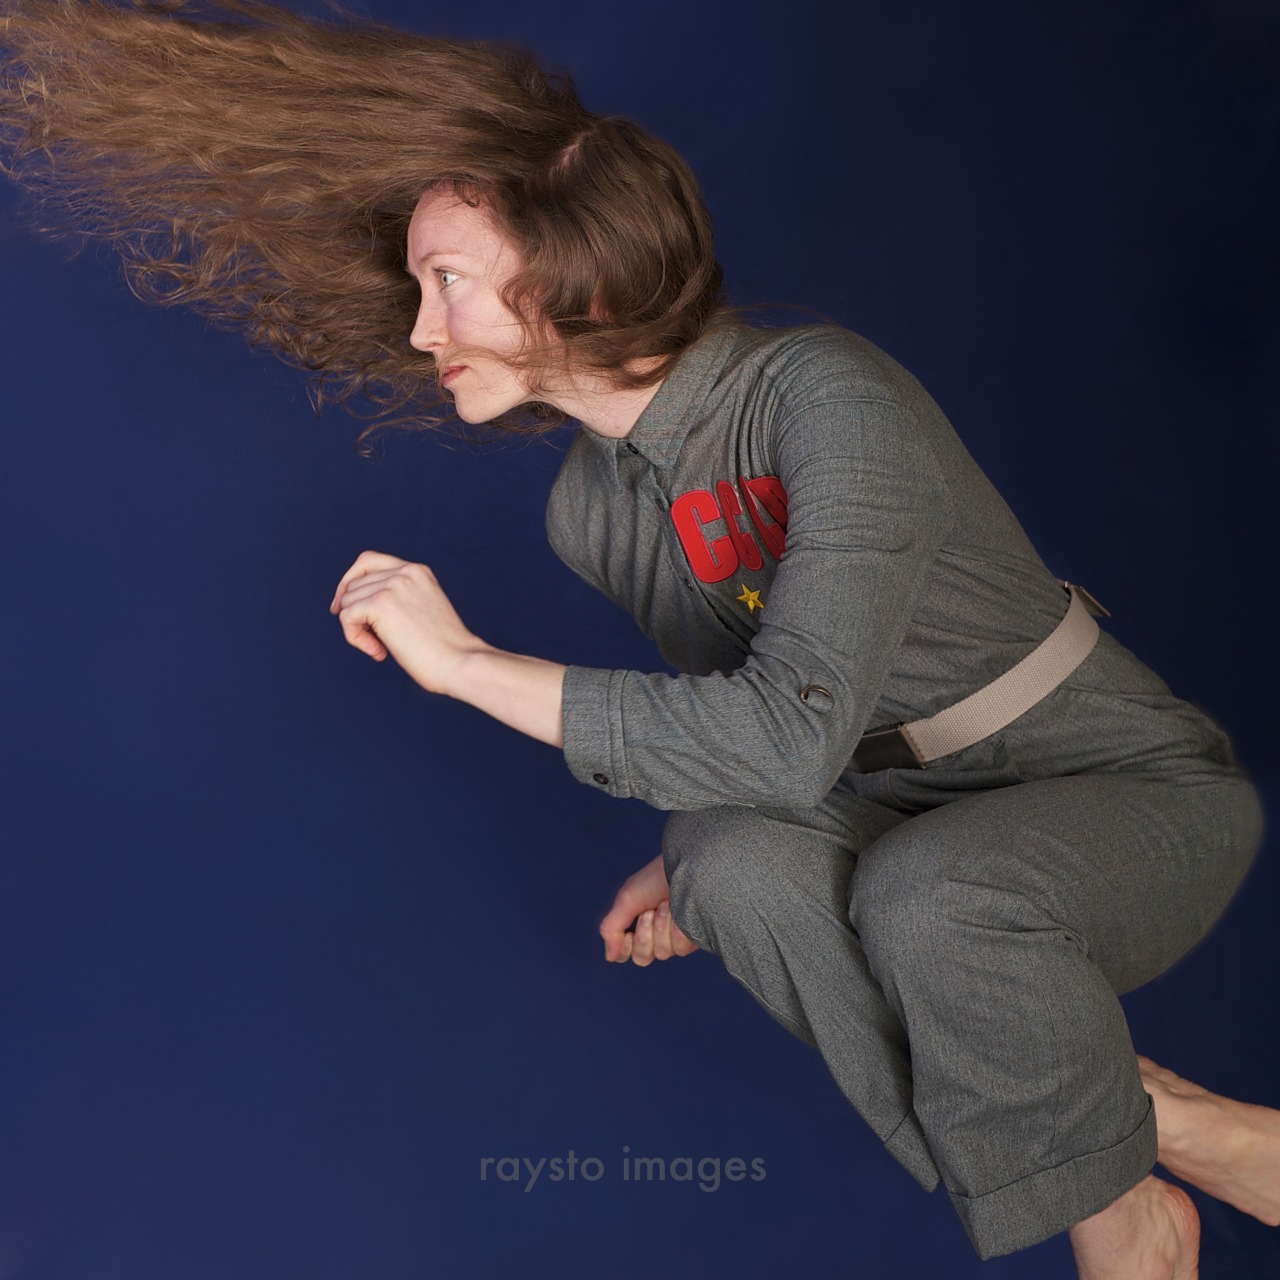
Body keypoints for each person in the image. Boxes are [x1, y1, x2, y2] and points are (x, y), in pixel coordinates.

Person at [2, 2, 1274, 1274]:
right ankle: (1153, 1146)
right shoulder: (588, 510)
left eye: (444, 281)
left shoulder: (823, 396)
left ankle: (1124, 1213)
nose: (417, 329)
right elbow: (760, 730)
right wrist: (697, 834)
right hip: (896, 806)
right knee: (730, 863)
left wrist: (465, 665)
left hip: (1115, 795)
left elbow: (779, 733)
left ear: (582, 279)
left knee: (932, 899)